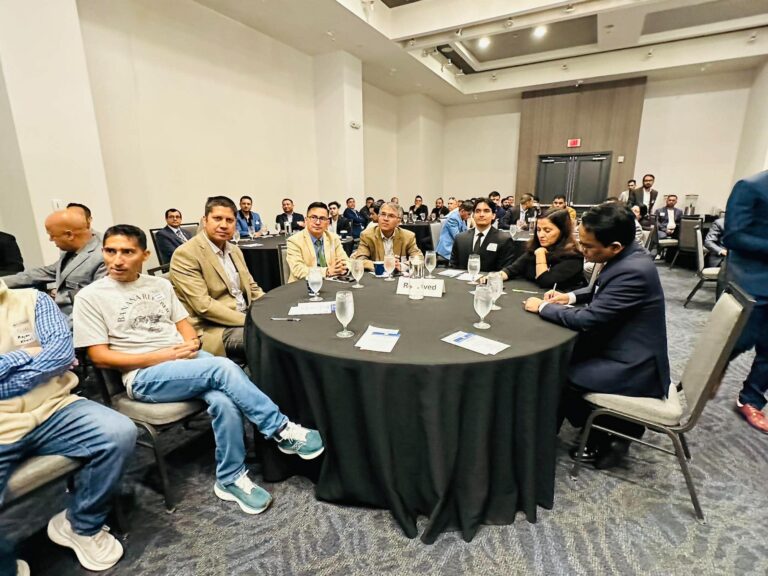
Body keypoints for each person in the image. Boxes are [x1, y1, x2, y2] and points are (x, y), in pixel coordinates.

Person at [73, 225, 323, 517]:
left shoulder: (159, 286)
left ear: (144, 255)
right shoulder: (91, 296)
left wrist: (190, 342)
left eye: (127, 252)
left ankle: (230, 477)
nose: (117, 260)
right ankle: (279, 428)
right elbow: (100, 357)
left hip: (184, 361)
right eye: (110, 251)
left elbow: (184, 326)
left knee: (224, 399)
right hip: (143, 375)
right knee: (223, 367)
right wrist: (165, 354)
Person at [0, 279, 136, 574]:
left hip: (54, 405)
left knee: (119, 433)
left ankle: (81, 523)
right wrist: (27, 353)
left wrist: (8, 373)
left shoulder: (33, 300)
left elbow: (61, 355)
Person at [523, 203, 670, 469]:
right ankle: (605, 425)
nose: (583, 250)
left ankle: (610, 432)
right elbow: (600, 289)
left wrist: (544, 307)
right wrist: (568, 297)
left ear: (615, 246)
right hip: (621, 345)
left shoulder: (633, 271)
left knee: (559, 372)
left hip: (634, 365)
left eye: (588, 246)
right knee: (564, 357)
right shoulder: (628, 256)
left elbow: (588, 319)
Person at [170, 196, 263, 360]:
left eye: (229, 220)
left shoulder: (235, 250)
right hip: (215, 328)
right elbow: (204, 306)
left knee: (285, 328)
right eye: (217, 218)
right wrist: (251, 320)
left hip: (245, 315)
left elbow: (252, 288)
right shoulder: (186, 254)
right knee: (269, 341)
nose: (224, 225)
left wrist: (271, 309)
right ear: (205, 220)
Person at [722, 170, 768, 434]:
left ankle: (751, 399)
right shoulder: (751, 186)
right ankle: (709, 374)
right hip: (752, 280)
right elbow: (733, 236)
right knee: (737, 342)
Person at [1, 210, 105, 322]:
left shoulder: (102, 257)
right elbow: (43, 273)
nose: (50, 239)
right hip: (58, 313)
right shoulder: (71, 251)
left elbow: (96, 303)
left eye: (52, 235)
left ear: (69, 235)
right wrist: (1, 282)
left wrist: (62, 327)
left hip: (76, 321)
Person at [498, 208, 585, 291]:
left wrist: (540, 255)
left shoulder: (573, 257)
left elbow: (545, 281)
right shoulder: (535, 249)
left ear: (562, 231)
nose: (541, 235)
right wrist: (494, 278)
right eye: (538, 230)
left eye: (547, 230)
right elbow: (511, 270)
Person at [286, 202, 347, 282]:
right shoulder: (294, 241)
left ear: (327, 223)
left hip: (331, 283)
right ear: (306, 220)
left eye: (322, 218)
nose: (318, 222)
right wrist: (327, 271)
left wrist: (343, 268)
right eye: (313, 217)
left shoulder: (333, 238)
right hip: (303, 285)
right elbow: (298, 270)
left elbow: (345, 260)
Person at [352, 202, 421, 271]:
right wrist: (383, 265)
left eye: (391, 216)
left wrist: (401, 266)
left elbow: (419, 258)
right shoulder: (367, 235)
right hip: (376, 276)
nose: (385, 219)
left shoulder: (408, 236)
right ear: (378, 217)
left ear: (398, 221)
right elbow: (360, 260)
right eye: (383, 214)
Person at [449, 198, 514, 272]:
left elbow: (505, 271)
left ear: (493, 215)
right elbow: (453, 267)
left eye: (486, 211)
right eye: (478, 211)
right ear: (473, 215)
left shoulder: (504, 240)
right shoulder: (460, 238)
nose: (481, 215)